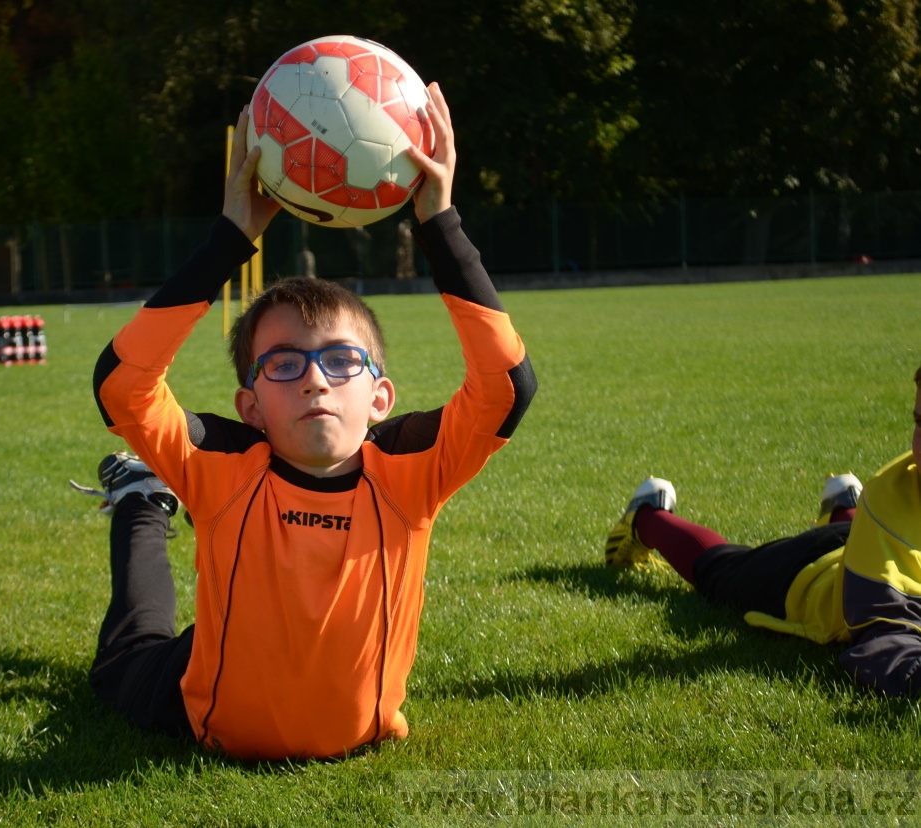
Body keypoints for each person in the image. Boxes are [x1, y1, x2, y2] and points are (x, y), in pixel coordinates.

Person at [86, 85, 537, 760]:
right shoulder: (226, 468)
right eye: (284, 365)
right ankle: (142, 502)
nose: (316, 378)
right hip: (189, 696)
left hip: (303, 689)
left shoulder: (411, 476)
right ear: (251, 407)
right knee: (127, 657)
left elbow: (505, 390)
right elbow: (124, 388)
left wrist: (439, 222)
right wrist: (230, 240)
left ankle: (144, 490)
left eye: (340, 360)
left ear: (381, 398)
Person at [604, 364, 921, 696]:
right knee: (720, 572)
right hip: (806, 576)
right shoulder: (891, 496)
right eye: (919, 422)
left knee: (864, 528)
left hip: (857, 541)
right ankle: (648, 514)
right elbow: (888, 643)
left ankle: (843, 504)